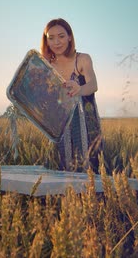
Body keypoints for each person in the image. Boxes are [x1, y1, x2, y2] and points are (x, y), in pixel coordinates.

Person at [41, 18, 104, 172]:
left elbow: (93, 85)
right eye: (51, 38)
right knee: (60, 168)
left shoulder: (82, 59)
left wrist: (79, 89)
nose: (57, 42)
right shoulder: (47, 65)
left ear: (70, 37)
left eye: (61, 36)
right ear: (46, 41)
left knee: (89, 168)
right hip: (59, 125)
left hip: (85, 123)